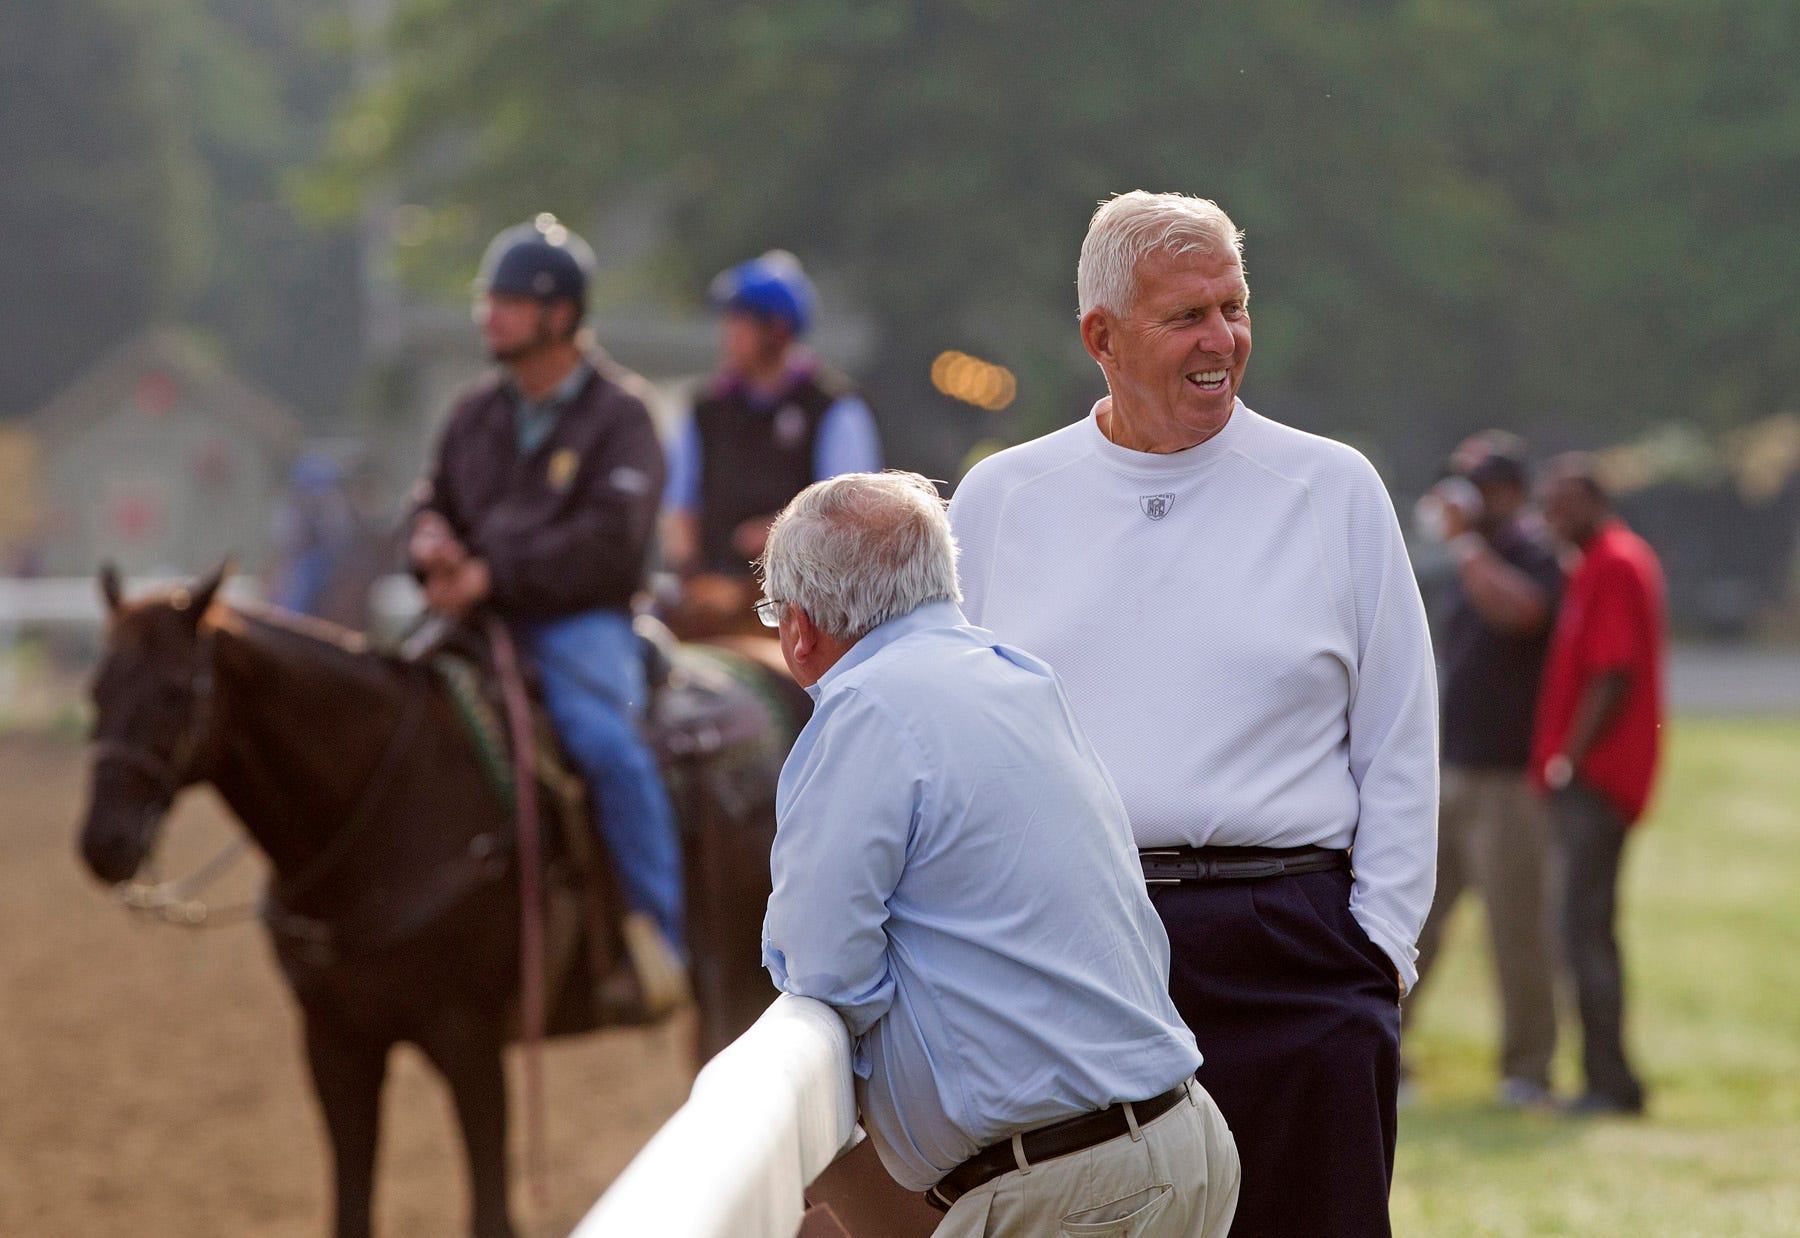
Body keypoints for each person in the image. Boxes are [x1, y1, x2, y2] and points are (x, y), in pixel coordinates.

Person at [949, 191, 1438, 1237]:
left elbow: (1400, 735)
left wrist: (1381, 951)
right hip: (1078, 950)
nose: (1223, 338)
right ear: (1102, 336)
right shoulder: (1001, 502)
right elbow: (955, 742)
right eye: (1187, 317)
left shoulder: (1334, 487)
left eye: (1235, 306)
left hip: (1298, 950)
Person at [761, 471, 1239, 1238]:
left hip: (1068, 1190)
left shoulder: (864, 707)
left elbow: (823, 959)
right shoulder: (1021, 678)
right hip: (1179, 1143)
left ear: (799, 627)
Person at [409, 214, 685, 1011]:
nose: (486, 315)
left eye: (505, 302)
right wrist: (427, 538)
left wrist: (489, 575)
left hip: (583, 623)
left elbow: (608, 545)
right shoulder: (474, 414)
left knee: (608, 748)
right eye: (486, 300)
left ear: (558, 316)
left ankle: (657, 941)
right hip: (477, 617)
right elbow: (433, 498)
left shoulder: (624, 416)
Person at [1407, 432, 1565, 1108]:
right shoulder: (1470, 560)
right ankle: (1388, 1052)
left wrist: (1467, 545)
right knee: (1411, 923)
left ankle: (1527, 1069)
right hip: (1453, 771)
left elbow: (1525, 614)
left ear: (1509, 492)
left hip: (1509, 779)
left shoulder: (1535, 553)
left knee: (1515, 930)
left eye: (1480, 482)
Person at [1530, 453, 1666, 1116]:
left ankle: (1607, 1084)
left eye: (1561, 502)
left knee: (1581, 933)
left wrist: (1569, 760)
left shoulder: (1614, 562)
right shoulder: (1600, 562)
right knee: (1589, 930)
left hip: (1597, 783)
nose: (1550, 514)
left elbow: (1613, 673)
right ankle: (1614, 1081)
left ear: (1591, 501)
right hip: (1597, 780)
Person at [660, 250, 881, 634]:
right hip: (711, 593)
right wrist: (690, 574)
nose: (727, 336)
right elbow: (680, 507)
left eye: (739, 323)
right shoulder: (705, 408)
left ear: (777, 331)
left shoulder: (834, 408)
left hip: (804, 604)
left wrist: (779, 534)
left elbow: (850, 518)